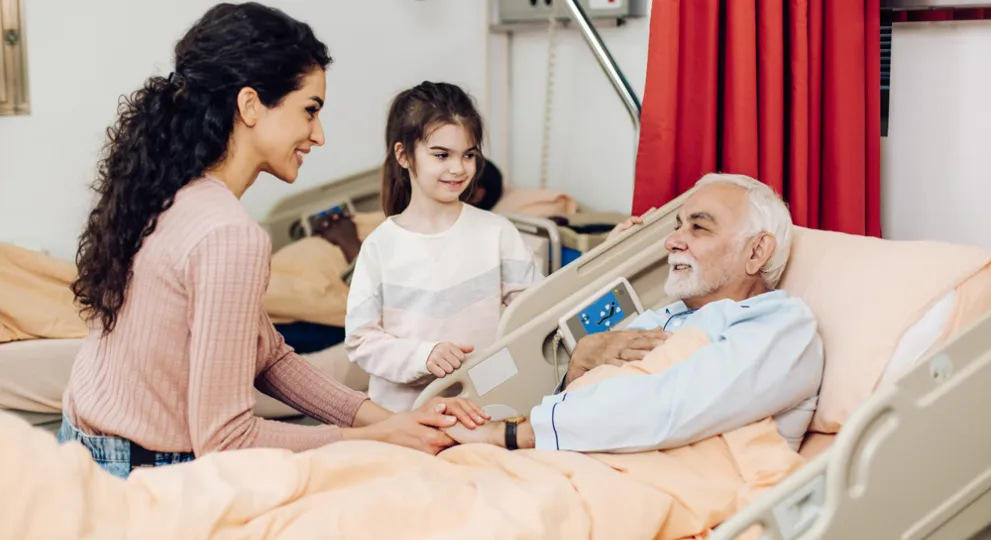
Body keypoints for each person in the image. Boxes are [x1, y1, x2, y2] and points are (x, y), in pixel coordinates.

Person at [60, 3, 485, 480]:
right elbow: (225, 440)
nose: (318, 135)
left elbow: (270, 356)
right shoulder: (228, 234)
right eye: (310, 111)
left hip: (85, 447)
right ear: (249, 105)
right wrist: (371, 440)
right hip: (143, 472)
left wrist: (391, 422)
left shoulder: (169, 192)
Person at [444, 173, 824, 453]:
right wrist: (577, 366)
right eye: (678, 226)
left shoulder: (781, 327)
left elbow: (666, 408)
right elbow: (582, 406)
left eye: (699, 228)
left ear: (756, 252)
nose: (672, 241)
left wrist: (511, 434)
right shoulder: (661, 317)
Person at [344, 82, 543, 413]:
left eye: (468, 155)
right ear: (403, 155)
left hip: (487, 409)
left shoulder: (498, 233)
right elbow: (362, 341)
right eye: (441, 155)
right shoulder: (381, 247)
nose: (458, 168)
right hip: (406, 416)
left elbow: (535, 311)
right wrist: (424, 356)